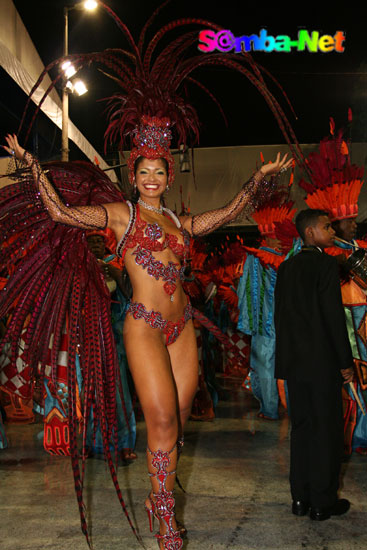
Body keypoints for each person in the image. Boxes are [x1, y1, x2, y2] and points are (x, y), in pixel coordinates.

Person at [4, 130, 291, 547]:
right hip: (145, 326)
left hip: (182, 329)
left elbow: (226, 214)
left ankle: (161, 494)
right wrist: (33, 167)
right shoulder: (121, 214)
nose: (151, 178)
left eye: (159, 171)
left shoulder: (178, 222)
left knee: (180, 417)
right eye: (144, 171)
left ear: (168, 177)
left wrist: (258, 178)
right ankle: (164, 510)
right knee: (160, 419)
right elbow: (63, 214)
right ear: (133, 177)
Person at [274, 208, 354, 521]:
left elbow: (279, 317)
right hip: (322, 362)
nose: (332, 231)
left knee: (302, 428)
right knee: (327, 430)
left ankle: (300, 498)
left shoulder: (286, 267)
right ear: (310, 233)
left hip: (295, 363)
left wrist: (285, 361)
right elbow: (334, 317)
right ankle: (322, 501)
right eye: (326, 227)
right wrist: (345, 362)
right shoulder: (325, 264)